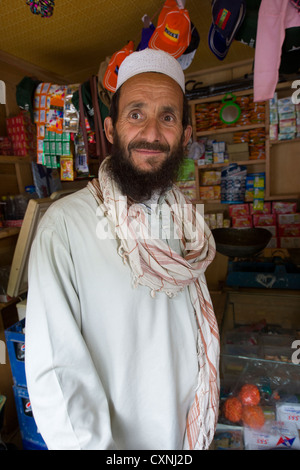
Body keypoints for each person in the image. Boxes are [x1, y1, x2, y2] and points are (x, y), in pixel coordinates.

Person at [25, 48, 220, 451]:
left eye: (167, 117)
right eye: (136, 114)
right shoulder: (65, 226)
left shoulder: (184, 222)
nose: (151, 133)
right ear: (111, 130)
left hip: (188, 432)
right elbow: (58, 377)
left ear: (184, 135)